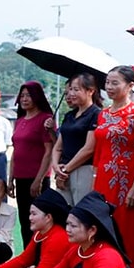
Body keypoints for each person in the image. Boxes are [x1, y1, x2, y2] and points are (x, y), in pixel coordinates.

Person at [95, 65, 134, 268]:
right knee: (102, 233)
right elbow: (99, 152)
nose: (109, 87)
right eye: (107, 82)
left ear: (130, 86)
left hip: (126, 183)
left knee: (127, 236)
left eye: (115, 83)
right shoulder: (103, 113)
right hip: (102, 181)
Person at [8, 81, 56, 247]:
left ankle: (41, 259)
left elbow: (49, 151)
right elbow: (15, 151)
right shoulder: (20, 120)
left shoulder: (46, 120)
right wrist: (10, 179)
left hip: (37, 179)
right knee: (25, 219)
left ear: (37, 97)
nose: (24, 99)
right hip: (20, 178)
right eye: (22, 95)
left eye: (28, 95)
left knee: (40, 221)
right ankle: (28, 259)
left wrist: (39, 179)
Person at [51, 73, 103, 206]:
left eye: (76, 89)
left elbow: (89, 149)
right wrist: (56, 167)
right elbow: (58, 146)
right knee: (62, 212)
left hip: (83, 170)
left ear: (90, 91)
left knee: (79, 213)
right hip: (63, 171)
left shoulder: (96, 114)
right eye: (70, 90)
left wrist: (66, 169)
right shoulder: (69, 115)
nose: (71, 93)